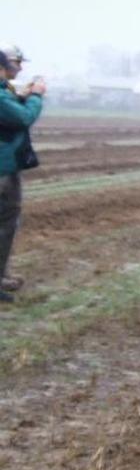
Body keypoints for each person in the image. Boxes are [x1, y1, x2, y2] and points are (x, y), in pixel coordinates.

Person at [0, 47, 45, 303]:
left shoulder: (6, 91)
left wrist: (25, 94)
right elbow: (23, 117)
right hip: (3, 166)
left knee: (8, 222)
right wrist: (36, 97)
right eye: (13, 63)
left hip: (9, 165)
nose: (17, 68)